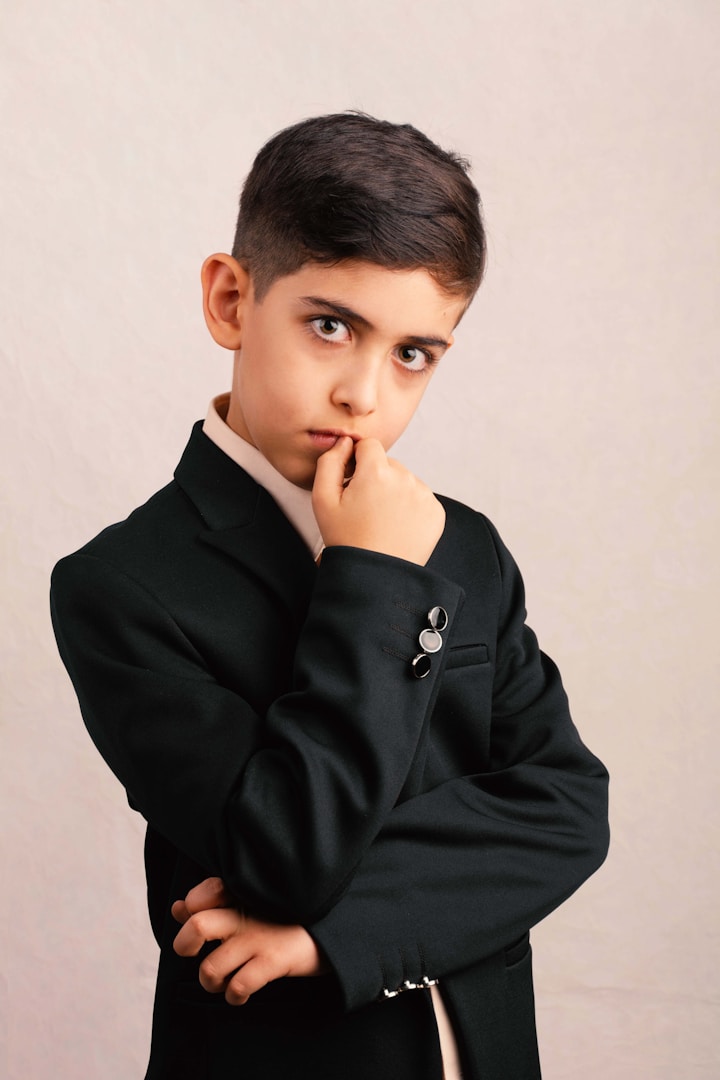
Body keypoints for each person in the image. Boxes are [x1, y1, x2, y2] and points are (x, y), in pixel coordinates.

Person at [50, 112, 609, 1080]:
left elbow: (566, 808)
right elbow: (284, 853)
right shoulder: (122, 587)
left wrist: (329, 936)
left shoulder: (464, 545)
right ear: (231, 300)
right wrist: (377, 580)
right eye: (330, 326)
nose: (364, 394)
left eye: (412, 354)